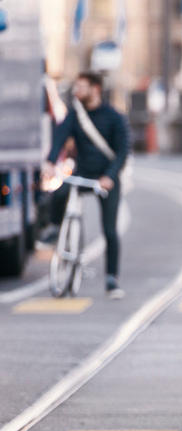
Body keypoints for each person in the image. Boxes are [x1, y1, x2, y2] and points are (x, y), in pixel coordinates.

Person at [42, 71, 130, 299]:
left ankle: (112, 279)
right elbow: (59, 137)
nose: (76, 91)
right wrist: (51, 162)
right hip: (83, 173)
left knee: (110, 230)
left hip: (106, 178)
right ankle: (54, 227)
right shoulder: (75, 115)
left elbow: (122, 151)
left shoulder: (113, 117)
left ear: (95, 89)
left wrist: (110, 176)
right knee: (59, 191)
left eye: (81, 87)